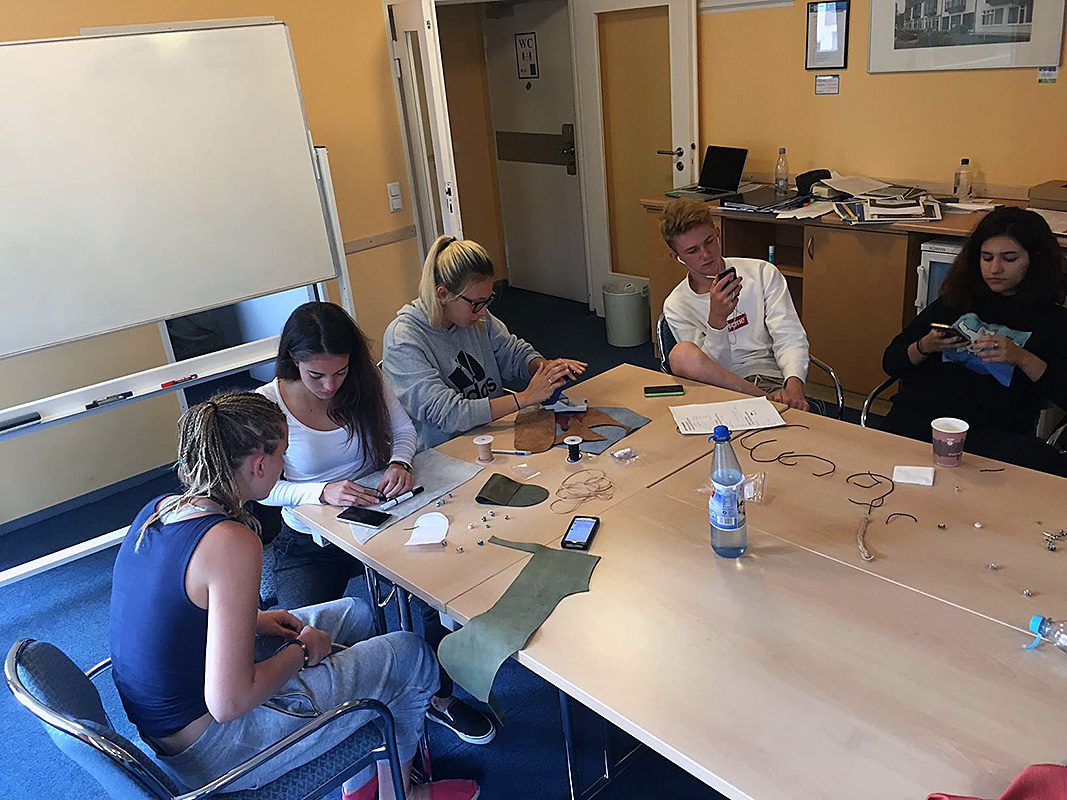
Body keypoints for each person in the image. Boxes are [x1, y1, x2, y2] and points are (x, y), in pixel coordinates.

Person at [109, 392, 480, 800]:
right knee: (412, 655)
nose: (284, 466)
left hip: (174, 723)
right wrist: (302, 653)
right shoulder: (231, 542)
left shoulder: (161, 508)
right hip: (216, 750)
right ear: (259, 465)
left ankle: (363, 778)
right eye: (282, 455)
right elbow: (229, 701)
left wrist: (256, 621)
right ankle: (401, 794)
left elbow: (179, 612)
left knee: (356, 613)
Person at [256, 302, 495, 746]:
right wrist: (319, 491)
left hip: (380, 519)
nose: (329, 386)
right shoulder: (268, 403)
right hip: (311, 540)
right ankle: (358, 723)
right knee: (302, 636)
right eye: (316, 376)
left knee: (436, 598)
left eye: (340, 372)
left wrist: (401, 462)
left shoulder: (367, 380)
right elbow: (261, 489)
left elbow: (404, 432)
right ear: (293, 362)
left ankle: (439, 697)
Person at [881, 206, 1067, 474]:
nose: (995, 269)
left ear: (1035, 261)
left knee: (1041, 463)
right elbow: (891, 362)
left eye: (1009, 259)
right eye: (986, 257)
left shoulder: (1052, 320)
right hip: (923, 418)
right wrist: (925, 346)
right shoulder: (956, 301)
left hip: (993, 431)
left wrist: (1022, 358)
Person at [383, 235, 587, 451]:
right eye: (477, 303)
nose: (483, 312)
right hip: (446, 451)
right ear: (442, 294)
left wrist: (543, 368)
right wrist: (525, 398)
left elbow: (512, 353)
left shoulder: (476, 316)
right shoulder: (403, 339)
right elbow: (448, 414)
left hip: (491, 434)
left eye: (487, 300)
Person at [659, 200, 812, 411]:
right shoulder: (676, 305)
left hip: (771, 379)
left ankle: (770, 401)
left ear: (717, 232)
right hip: (721, 388)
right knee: (681, 354)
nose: (705, 254)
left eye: (709, 241)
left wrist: (794, 387)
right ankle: (765, 401)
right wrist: (717, 321)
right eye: (693, 250)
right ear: (677, 257)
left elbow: (789, 335)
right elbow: (706, 370)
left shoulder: (762, 272)